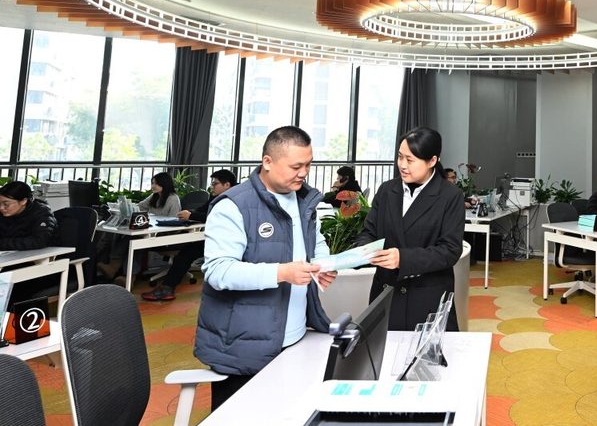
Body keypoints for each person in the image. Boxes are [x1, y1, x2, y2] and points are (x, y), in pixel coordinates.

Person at [194, 126, 337, 410]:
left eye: (308, 165)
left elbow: (315, 242)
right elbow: (218, 271)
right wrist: (281, 273)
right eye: (296, 166)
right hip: (243, 347)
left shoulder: (303, 200)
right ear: (267, 162)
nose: (304, 173)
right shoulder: (233, 205)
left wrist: (322, 264)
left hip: (295, 336)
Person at [353, 126, 465, 331]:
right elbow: (368, 232)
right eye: (400, 157)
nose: (402, 165)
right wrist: (365, 250)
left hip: (427, 297)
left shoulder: (450, 196)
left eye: (410, 160)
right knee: (382, 349)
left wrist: (402, 259)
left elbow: (450, 250)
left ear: (432, 161)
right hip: (386, 293)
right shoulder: (387, 190)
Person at [141, 169, 238, 302]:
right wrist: (189, 213)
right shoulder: (216, 197)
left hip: (226, 240)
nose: (212, 187)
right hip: (211, 236)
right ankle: (167, 288)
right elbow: (203, 210)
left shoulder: (234, 199)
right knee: (186, 252)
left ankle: (167, 288)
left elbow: (215, 217)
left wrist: (192, 215)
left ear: (227, 185)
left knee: (187, 253)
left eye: (215, 184)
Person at [0, 181, 55, 251]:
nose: (1, 208)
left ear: (23, 201)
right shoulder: (5, 212)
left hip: (35, 254)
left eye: (6, 204)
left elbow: (40, 240)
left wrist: (3, 243)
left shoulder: (41, 213)